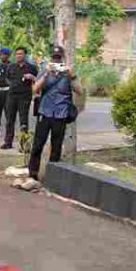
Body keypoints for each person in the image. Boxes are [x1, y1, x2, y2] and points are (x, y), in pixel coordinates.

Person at [27, 46, 82, 181]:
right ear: (51, 58)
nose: (56, 61)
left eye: (58, 58)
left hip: (61, 114)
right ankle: (33, 174)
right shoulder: (44, 71)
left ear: (62, 58)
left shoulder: (68, 73)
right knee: (38, 144)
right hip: (45, 112)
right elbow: (34, 90)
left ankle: (53, 177)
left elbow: (80, 91)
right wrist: (46, 74)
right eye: (54, 58)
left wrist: (72, 75)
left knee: (56, 146)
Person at [1, 46, 38, 150]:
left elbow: (38, 80)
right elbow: (7, 78)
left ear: (25, 55)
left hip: (24, 96)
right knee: (9, 120)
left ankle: (24, 145)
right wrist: (12, 84)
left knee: (23, 120)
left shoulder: (31, 67)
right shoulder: (11, 66)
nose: (18, 56)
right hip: (12, 95)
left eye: (21, 54)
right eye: (17, 54)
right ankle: (8, 142)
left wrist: (32, 77)